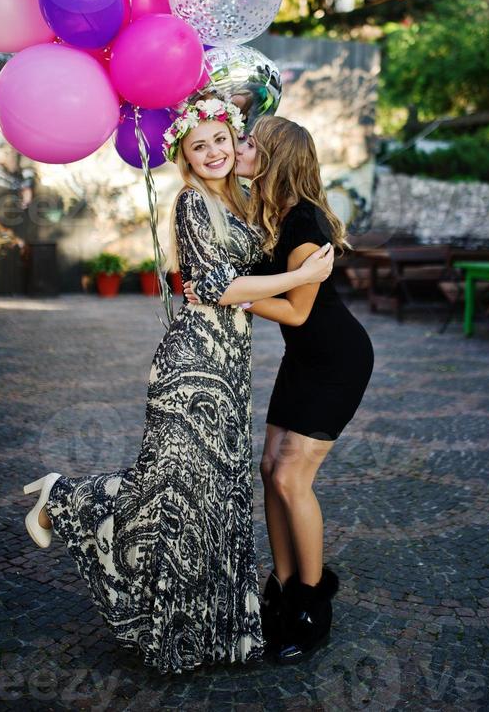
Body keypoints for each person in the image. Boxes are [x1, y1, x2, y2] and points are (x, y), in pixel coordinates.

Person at [21, 98, 334, 675]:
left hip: (230, 363)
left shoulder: (235, 200)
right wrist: (301, 276)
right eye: (200, 146)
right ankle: (62, 498)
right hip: (193, 365)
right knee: (170, 485)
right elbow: (213, 283)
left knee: (213, 497)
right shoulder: (193, 201)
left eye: (222, 140)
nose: (214, 153)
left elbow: (235, 280)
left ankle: (208, 635)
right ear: (185, 158)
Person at [186, 115, 374, 664]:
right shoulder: (273, 213)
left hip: (337, 362)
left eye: (247, 142)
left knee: (292, 477)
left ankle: (314, 605)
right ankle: (284, 584)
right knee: (269, 468)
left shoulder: (305, 226)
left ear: (272, 156)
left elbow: (295, 309)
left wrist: (227, 297)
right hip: (304, 360)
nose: (237, 147)